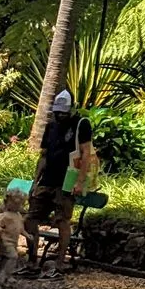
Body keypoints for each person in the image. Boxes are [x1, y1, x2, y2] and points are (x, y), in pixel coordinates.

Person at [26, 90, 90, 275]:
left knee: (62, 220)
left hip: (67, 181)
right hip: (48, 179)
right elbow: (44, 155)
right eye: (58, 112)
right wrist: (35, 180)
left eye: (63, 112)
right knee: (31, 218)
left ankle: (60, 263)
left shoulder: (81, 124)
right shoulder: (51, 126)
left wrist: (80, 181)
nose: (60, 115)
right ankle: (32, 261)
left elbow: (86, 153)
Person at [0, 188, 30, 288]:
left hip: (13, 242)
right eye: (14, 203)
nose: (16, 206)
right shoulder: (6, 215)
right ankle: (5, 278)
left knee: (5, 260)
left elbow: (20, 229)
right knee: (13, 257)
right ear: (7, 202)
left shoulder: (18, 216)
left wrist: (27, 235)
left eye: (19, 204)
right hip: (4, 241)